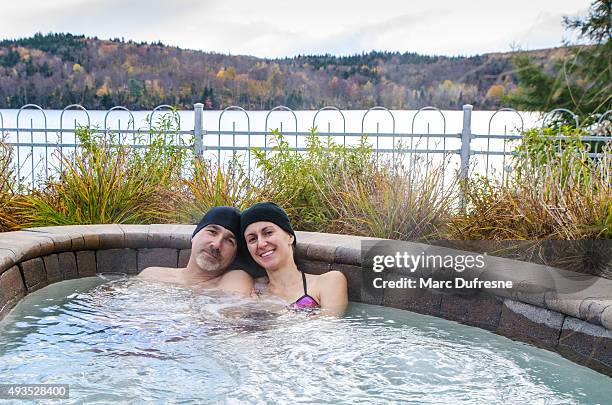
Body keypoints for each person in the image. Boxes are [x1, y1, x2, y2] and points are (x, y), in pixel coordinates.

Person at [241, 202, 348, 316]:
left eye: (268, 233)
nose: (261, 244)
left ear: (290, 237)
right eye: (252, 239)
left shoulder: (328, 282)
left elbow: (330, 329)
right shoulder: (251, 291)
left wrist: (265, 311)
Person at [139, 206, 254, 295]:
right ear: (194, 236)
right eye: (212, 232)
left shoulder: (236, 280)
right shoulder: (151, 275)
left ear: (235, 255)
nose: (216, 245)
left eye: (229, 241)